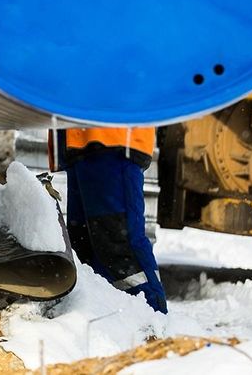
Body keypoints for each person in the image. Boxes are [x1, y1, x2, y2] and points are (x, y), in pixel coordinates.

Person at [51, 127, 168, 313]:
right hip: (80, 141)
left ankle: (152, 321)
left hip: (111, 135)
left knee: (120, 245)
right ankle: (110, 324)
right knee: (85, 249)